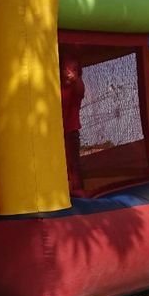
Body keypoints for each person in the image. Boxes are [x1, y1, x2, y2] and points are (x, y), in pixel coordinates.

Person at [60, 48, 86, 197]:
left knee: (73, 166)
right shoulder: (58, 87)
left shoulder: (77, 86)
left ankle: (78, 192)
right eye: (65, 69)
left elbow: (80, 89)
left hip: (70, 132)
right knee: (62, 165)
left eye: (73, 69)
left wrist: (75, 79)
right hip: (57, 132)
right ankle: (66, 192)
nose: (68, 72)